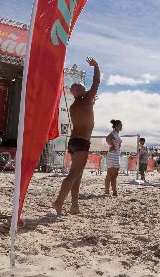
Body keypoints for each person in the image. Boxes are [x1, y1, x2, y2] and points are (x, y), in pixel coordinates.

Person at [52, 57, 100, 215]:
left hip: (73, 142)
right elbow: (96, 82)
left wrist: (91, 101)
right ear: (81, 91)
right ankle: (59, 202)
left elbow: (86, 111)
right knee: (74, 173)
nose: (86, 89)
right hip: (82, 142)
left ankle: (74, 206)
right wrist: (96, 66)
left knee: (77, 174)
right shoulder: (86, 100)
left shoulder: (74, 106)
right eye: (82, 87)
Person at [105, 119, 123, 195]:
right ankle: (114, 192)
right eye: (120, 125)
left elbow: (109, 139)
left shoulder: (116, 133)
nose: (121, 126)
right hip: (113, 156)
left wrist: (112, 145)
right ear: (116, 126)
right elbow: (107, 138)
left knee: (109, 174)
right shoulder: (114, 133)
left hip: (113, 155)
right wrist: (112, 145)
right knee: (113, 175)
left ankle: (107, 191)